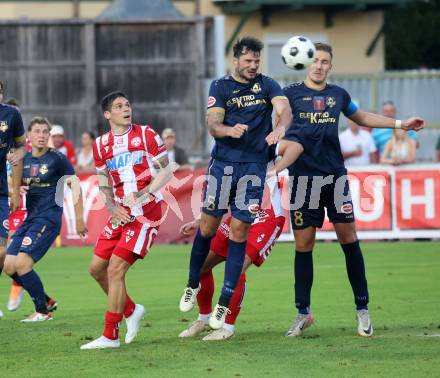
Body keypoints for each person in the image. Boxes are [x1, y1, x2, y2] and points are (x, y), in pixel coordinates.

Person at [277, 42, 424, 338]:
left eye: (325, 61)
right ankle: (303, 313)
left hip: (334, 179)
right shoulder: (290, 95)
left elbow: (364, 118)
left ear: (331, 66)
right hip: (303, 180)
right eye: (315, 60)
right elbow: (279, 125)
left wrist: (400, 124)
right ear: (306, 62)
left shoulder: (338, 95)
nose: (319, 65)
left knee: (349, 239)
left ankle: (362, 309)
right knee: (303, 246)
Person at [178, 37, 293, 331]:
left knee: (239, 232)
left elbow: (285, 109)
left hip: (254, 169)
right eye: (248, 61)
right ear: (236, 61)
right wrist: (230, 129)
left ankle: (224, 308)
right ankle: (193, 287)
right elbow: (213, 124)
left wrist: (280, 126)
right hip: (224, 165)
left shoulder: (267, 85)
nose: (254, 66)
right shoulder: (220, 87)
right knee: (206, 228)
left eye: (257, 61)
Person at [80, 91, 172, 350]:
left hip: (147, 212)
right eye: (118, 106)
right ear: (107, 114)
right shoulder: (100, 145)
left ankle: (110, 336)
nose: (125, 108)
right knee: (96, 269)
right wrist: (110, 207)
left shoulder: (146, 134)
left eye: (127, 104)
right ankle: (131, 310)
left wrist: (144, 192)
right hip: (121, 213)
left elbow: (167, 170)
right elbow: (103, 181)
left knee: (115, 269)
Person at [178, 161, 285, 341]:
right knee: (202, 266)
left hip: (267, 217)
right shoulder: (230, 153)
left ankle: (227, 327)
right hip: (240, 213)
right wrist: (199, 220)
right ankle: (203, 319)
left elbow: (289, 147)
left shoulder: (264, 142)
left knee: (238, 267)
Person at [3, 116, 87, 322]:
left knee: (22, 263)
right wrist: (16, 188)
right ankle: (46, 300)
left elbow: (75, 185)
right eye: (37, 132)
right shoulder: (25, 160)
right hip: (30, 218)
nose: (41, 135)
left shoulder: (57, 159)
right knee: (8, 264)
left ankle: (42, 312)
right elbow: (14, 183)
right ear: (29, 136)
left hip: (48, 219)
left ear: (49, 136)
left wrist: (79, 219)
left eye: (44, 132)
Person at [0, 80, 26, 319]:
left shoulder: (11, 117)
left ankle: (19, 287)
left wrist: (16, 189)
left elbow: (21, 150)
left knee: (5, 255)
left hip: (8, 198)